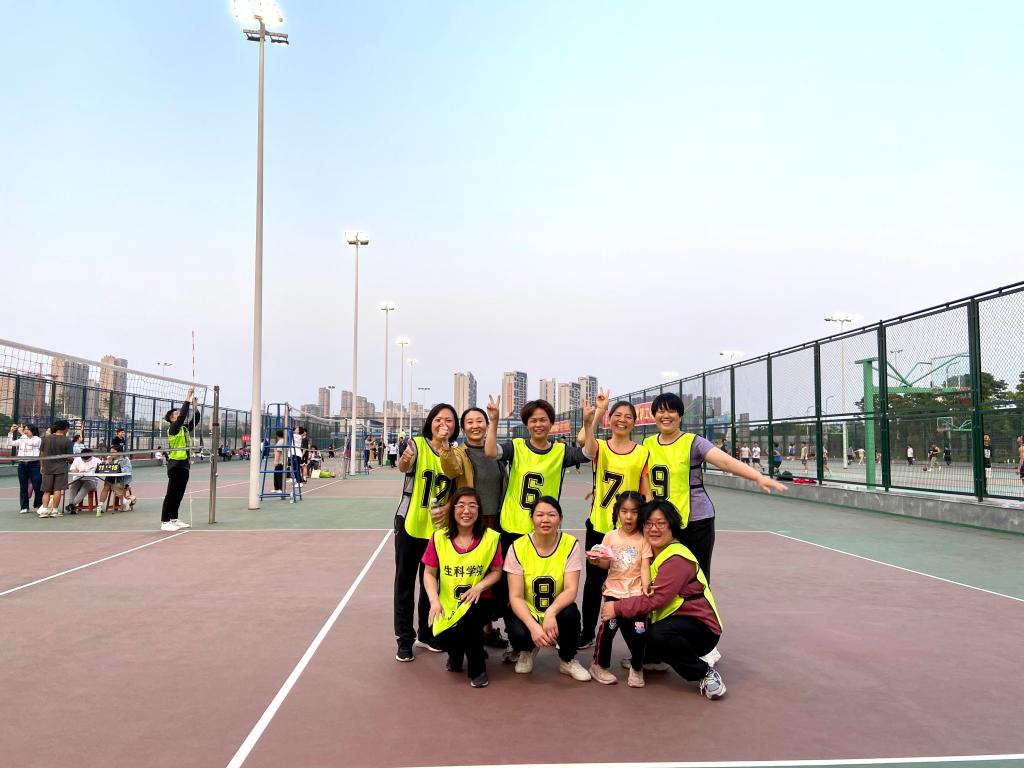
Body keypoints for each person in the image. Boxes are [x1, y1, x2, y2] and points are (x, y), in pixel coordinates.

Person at [601, 501, 726, 700]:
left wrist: (617, 607)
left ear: (672, 526)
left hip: (701, 628)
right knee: (639, 623)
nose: (654, 529)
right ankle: (654, 658)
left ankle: (704, 673)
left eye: (660, 523)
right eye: (649, 524)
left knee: (656, 633)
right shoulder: (650, 552)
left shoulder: (677, 558)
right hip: (676, 620)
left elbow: (656, 600)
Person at [577, 392, 650, 648]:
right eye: (617, 415)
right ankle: (587, 632)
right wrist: (594, 415)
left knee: (631, 580)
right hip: (600, 525)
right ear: (609, 420)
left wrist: (649, 523)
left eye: (628, 417)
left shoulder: (642, 453)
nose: (622, 420)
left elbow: (645, 491)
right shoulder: (600, 447)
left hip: (628, 529)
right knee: (594, 581)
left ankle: (635, 637)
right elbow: (585, 443)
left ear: (635, 423)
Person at [484, 395, 595, 553]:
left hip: (545, 527)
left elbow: (588, 454)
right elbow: (490, 451)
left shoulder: (560, 451)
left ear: (551, 423)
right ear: (526, 424)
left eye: (543, 420)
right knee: (511, 568)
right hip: (513, 525)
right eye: (533, 420)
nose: (538, 424)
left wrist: (588, 424)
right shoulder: (516, 447)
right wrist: (494, 421)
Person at [394, 403, 460, 662]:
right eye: (438, 419)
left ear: (455, 426)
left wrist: (449, 507)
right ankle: (404, 639)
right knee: (405, 583)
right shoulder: (417, 444)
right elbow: (404, 466)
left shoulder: (454, 452)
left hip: (439, 529)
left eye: (449, 420)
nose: (443, 424)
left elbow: (457, 486)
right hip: (411, 523)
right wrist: (404, 460)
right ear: (430, 422)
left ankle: (427, 633)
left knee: (430, 582)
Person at [440, 406, 509, 648]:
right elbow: (450, 468)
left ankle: (487, 628)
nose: (475, 426)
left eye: (480, 421)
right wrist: (445, 446)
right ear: (463, 428)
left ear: (487, 424)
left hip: (496, 521)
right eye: (470, 422)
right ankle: (471, 633)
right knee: (473, 574)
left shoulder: (497, 453)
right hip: (471, 523)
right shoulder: (459, 453)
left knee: (493, 577)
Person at [422, 487, 504, 688]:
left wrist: (479, 586)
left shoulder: (491, 538)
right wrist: (434, 601)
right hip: (449, 602)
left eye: (472, 506)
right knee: (439, 636)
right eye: (461, 505)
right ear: (453, 510)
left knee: (470, 623)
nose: (466, 511)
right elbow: (429, 573)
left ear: (479, 510)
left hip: (480, 600)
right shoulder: (439, 537)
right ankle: (456, 652)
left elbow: (496, 571)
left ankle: (477, 670)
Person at [504, 496, 591, 681]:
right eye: (540, 515)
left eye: (551, 515)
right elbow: (515, 596)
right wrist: (533, 626)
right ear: (531, 518)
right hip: (529, 609)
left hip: (557, 609)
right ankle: (527, 649)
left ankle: (567, 659)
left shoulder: (570, 544)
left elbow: (571, 590)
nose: (545, 520)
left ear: (560, 518)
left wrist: (551, 612)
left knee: (571, 614)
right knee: (518, 633)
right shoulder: (517, 547)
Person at [587, 491, 652, 687]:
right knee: (608, 630)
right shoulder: (610, 537)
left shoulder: (644, 539)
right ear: (618, 512)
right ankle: (599, 665)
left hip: (636, 594)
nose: (629, 516)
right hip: (613, 592)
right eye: (624, 511)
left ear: (641, 514)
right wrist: (596, 561)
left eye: (634, 512)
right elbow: (606, 564)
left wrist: (646, 588)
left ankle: (637, 667)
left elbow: (645, 567)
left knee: (639, 633)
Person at [160, 388, 199, 532]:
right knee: (171, 494)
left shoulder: (183, 429)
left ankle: (174, 519)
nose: (179, 415)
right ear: (172, 419)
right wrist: (188, 397)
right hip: (175, 465)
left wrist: (195, 408)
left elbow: (195, 421)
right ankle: (164, 521)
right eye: (176, 414)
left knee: (179, 494)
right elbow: (183, 415)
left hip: (184, 465)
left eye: (178, 413)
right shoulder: (173, 429)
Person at [38, 420, 73, 517]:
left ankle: (44, 510)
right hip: (61, 467)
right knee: (57, 490)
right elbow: (69, 458)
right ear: (65, 428)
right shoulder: (67, 441)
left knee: (46, 490)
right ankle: (54, 510)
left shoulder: (45, 439)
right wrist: (72, 461)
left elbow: (41, 454)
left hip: (47, 467)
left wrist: (42, 466)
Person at [10, 424, 42, 514]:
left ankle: (38, 505)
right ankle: (24, 507)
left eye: (27, 429)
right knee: (23, 486)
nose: (25, 431)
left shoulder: (37, 439)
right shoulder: (22, 439)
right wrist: (11, 432)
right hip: (22, 464)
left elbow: (30, 443)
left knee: (37, 485)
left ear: (33, 431)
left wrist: (21, 433)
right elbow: (11, 443)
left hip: (34, 464)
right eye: (25, 429)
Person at [98, 446, 134, 513]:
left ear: (119, 452)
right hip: (110, 478)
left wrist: (118, 469)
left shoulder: (125, 459)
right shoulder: (109, 459)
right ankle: (100, 506)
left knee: (114, 486)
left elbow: (128, 469)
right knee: (106, 487)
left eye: (113, 452)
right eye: (110, 452)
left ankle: (125, 502)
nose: (111, 453)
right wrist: (107, 462)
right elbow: (101, 468)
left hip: (121, 479)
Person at [67, 448, 102, 513]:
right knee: (73, 486)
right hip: (79, 478)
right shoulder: (77, 459)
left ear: (91, 456)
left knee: (85, 487)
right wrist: (75, 471)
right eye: (83, 459)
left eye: (87, 459)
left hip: (91, 480)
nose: (85, 461)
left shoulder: (97, 461)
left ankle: (72, 505)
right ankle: (71, 505)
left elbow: (100, 471)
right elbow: (72, 469)